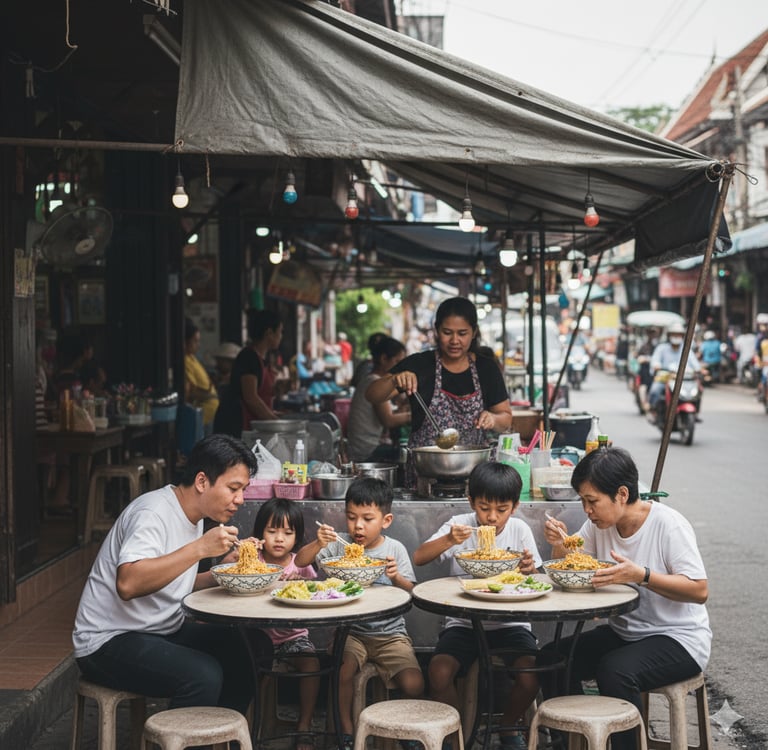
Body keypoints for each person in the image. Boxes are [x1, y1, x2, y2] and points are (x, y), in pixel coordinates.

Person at [72, 434, 272, 715]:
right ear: (202, 482)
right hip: (108, 640)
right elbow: (128, 583)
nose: (240, 499)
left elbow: (178, 583)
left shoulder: (195, 517)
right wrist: (200, 548)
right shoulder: (153, 512)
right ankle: (180, 743)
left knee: (253, 648)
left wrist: (223, 571)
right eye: (233, 488)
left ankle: (220, 738)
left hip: (160, 629)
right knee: (203, 675)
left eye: (243, 490)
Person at [542, 447, 711, 750]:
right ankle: (573, 743)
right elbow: (569, 566)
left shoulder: (668, 525)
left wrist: (642, 575)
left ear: (621, 494)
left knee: (615, 670)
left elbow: (699, 590)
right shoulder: (598, 526)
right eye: (583, 501)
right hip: (626, 633)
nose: (587, 510)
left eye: (591, 501)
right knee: (552, 659)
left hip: (679, 638)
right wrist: (559, 544)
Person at [413, 462, 541, 750]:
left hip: (511, 622)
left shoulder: (519, 530)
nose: (491, 518)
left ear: (515, 506)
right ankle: (459, 733)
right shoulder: (459, 526)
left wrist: (531, 568)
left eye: (501, 509)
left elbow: (538, 578)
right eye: (484, 508)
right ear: (471, 502)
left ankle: (508, 726)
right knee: (438, 672)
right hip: (464, 623)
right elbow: (420, 557)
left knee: (531, 675)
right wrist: (449, 539)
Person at [295, 477, 424, 750]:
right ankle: (347, 732)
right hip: (351, 631)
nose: (358, 526)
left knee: (414, 684)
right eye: (351, 517)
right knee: (343, 673)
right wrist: (318, 544)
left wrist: (396, 577)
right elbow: (300, 561)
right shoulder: (338, 545)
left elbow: (411, 591)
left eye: (367, 518)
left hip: (391, 634)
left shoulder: (394, 549)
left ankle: (404, 731)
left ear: (386, 520)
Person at [366, 297, 512, 488]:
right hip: (425, 473)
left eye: (462, 333)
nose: (455, 341)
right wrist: (393, 379)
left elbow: (506, 418)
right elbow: (372, 395)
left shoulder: (486, 368)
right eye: (447, 332)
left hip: (475, 475)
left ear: (474, 332)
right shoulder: (419, 364)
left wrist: (493, 419)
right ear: (436, 330)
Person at [251, 498, 320, 750]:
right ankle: (255, 725)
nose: (279, 538)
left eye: (287, 533)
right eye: (271, 531)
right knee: (256, 672)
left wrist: (297, 583)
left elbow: (315, 590)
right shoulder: (252, 561)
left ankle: (304, 724)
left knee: (311, 663)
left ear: (296, 537)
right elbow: (229, 569)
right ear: (260, 533)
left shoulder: (299, 563)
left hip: (293, 637)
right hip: (260, 637)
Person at [214, 309, 283, 436]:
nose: (281, 336)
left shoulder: (262, 359)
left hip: (251, 426)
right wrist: (275, 422)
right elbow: (251, 398)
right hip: (236, 425)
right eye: (279, 332)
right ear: (269, 333)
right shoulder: (249, 357)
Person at [346, 336, 410, 463]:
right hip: (366, 451)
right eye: (397, 362)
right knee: (409, 455)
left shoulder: (371, 379)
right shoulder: (374, 382)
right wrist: (413, 415)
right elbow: (388, 420)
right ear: (384, 359)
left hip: (364, 447)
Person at [647, 322, 701, 416]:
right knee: (655, 390)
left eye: (678, 334)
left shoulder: (686, 349)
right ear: (669, 335)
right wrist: (656, 365)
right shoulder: (662, 348)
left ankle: (695, 412)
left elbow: (695, 364)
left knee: (699, 389)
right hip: (666, 378)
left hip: (684, 379)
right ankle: (653, 409)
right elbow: (655, 361)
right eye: (674, 334)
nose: (676, 337)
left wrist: (699, 369)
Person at [184, 319, 220, 436]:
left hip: (209, 415)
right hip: (202, 416)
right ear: (185, 342)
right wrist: (211, 395)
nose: (198, 345)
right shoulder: (185, 361)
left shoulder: (193, 359)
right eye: (195, 341)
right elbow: (191, 391)